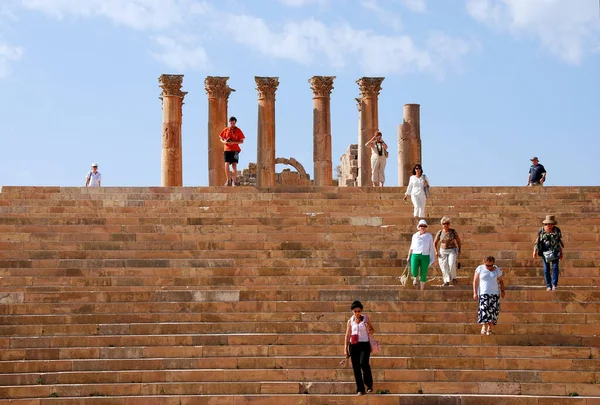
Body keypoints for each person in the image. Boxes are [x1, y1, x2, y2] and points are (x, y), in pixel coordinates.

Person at [344, 300, 375, 396]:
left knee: (364, 363)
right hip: (353, 345)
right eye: (355, 311)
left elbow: (372, 331)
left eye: (359, 311)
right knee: (356, 367)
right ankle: (360, 389)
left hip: (364, 345)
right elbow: (347, 335)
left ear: (361, 311)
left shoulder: (365, 319)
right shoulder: (350, 321)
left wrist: (368, 327)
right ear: (352, 311)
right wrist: (345, 348)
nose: (357, 313)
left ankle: (369, 384)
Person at [473, 256, 505, 335]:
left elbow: (501, 281)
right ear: (484, 263)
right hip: (484, 292)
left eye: (491, 265)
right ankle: (484, 326)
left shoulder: (496, 269)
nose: (489, 267)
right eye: (487, 265)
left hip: (494, 293)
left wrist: (503, 290)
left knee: (493, 311)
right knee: (484, 309)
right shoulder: (480, 268)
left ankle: (490, 328)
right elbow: (475, 281)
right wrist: (475, 292)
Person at [533, 215, 564, 291]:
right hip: (545, 251)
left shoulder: (557, 230)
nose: (550, 225)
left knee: (555, 268)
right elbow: (538, 241)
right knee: (546, 269)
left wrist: (561, 252)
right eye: (548, 224)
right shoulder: (541, 230)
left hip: (555, 251)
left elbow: (559, 241)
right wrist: (535, 250)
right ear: (546, 224)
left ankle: (554, 284)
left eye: (552, 224)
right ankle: (548, 285)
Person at [407, 219, 435, 290]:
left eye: (424, 226)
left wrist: (433, 258)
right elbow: (412, 246)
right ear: (418, 227)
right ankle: (415, 278)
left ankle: (422, 290)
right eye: (421, 226)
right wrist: (408, 256)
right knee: (414, 270)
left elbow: (431, 247)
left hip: (425, 255)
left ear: (426, 227)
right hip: (415, 254)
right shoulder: (415, 235)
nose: (422, 227)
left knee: (424, 273)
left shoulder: (429, 236)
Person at [434, 216, 462, 286]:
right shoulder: (440, 232)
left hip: (452, 249)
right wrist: (436, 251)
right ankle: (446, 280)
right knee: (444, 266)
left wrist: (459, 250)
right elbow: (435, 242)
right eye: (444, 223)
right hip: (442, 250)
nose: (445, 225)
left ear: (449, 224)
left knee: (451, 264)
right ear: (442, 224)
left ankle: (454, 278)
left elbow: (458, 241)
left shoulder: (453, 231)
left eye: (447, 223)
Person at [219, 116, 245, 186]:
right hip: (227, 149)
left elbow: (242, 141)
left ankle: (235, 181)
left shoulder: (238, 130)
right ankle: (228, 180)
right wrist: (224, 142)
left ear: (235, 123)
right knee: (226, 164)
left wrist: (234, 142)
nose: (232, 124)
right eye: (231, 123)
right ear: (229, 122)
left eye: (233, 123)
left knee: (234, 165)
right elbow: (220, 138)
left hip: (235, 150)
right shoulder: (226, 130)